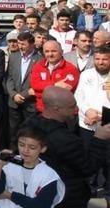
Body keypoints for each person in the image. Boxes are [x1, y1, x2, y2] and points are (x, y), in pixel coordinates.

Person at [23, 86, 110, 208]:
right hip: (66, 197)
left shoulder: (28, 125)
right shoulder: (65, 139)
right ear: (56, 109)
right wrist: (99, 139)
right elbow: (88, 168)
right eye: (71, 107)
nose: (76, 109)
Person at [0, 126, 65, 208]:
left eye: (32, 147)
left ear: (43, 149)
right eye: (21, 145)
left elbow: (40, 205)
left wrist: (8, 194)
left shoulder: (49, 175)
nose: (25, 150)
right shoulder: (8, 165)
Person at [72, 46, 110, 207]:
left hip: (107, 126)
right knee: (87, 160)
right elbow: (78, 96)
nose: (101, 62)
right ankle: (88, 191)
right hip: (87, 125)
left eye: (105, 59)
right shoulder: (86, 74)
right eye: (98, 59)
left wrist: (102, 117)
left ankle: (108, 194)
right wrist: (87, 111)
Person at [5, 32, 42, 149]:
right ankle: (13, 154)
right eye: (19, 43)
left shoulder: (40, 59)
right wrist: (13, 94)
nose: (20, 46)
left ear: (32, 44)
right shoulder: (14, 56)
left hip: (30, 103)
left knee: (30, 132)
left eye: (23, 44)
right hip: (14, 103)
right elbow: (9, 78)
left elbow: (39, 82)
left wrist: (24, 95)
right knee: (13, 131)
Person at [30, 41, 79, 113]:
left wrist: (40, 91)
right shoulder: (38, 66)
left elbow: (64, 94)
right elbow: (35, 85)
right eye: (47, 51)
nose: (50, 54)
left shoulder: (71, 69)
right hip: (41, 110)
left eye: (54, 51)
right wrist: (55, 85)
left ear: (61, 52)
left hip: (61, 113)